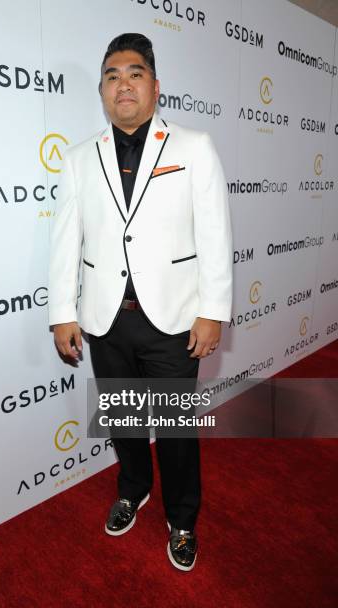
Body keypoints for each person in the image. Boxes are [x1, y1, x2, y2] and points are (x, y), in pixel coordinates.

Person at [48, 33, 232, 571]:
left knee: (175, 431)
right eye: (112, 75)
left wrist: (213, 310)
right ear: (103, 91)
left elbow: (216, 234)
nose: (122, 84)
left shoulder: (194, 147)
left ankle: (182, 518)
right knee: (124, 421)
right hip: (105, 321)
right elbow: (66, 239)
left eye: (134, 73)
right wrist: (63, 312)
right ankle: (134, 489)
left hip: (173, 320)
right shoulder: (80, 159)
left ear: (155, 86)